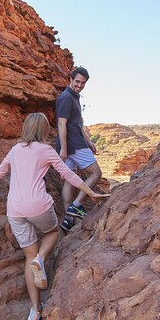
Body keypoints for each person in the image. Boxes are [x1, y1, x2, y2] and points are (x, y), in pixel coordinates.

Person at [0, 112, 109, 320]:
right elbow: (68, 174)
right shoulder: (46, 150)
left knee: (29, 258)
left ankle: (35, 310)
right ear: (43, 129)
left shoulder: (15, 149)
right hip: (38, 205)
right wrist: (90, 192)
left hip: (15, 209)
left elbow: (0, 171)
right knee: (52, 232)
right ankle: (42, 257)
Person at [55, 66, 103, 232]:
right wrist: (64, 149)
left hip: (73, 144)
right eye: (77, 82)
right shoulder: (66, 98)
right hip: (73, 145)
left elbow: (78, 124)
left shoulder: (74, 97)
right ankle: (76, 205)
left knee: (69, 179)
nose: (80, 85)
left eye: (83, 83)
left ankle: (69, 221)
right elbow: (62, 123)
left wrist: (89, 141)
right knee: (96, 173)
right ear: (71, 79)